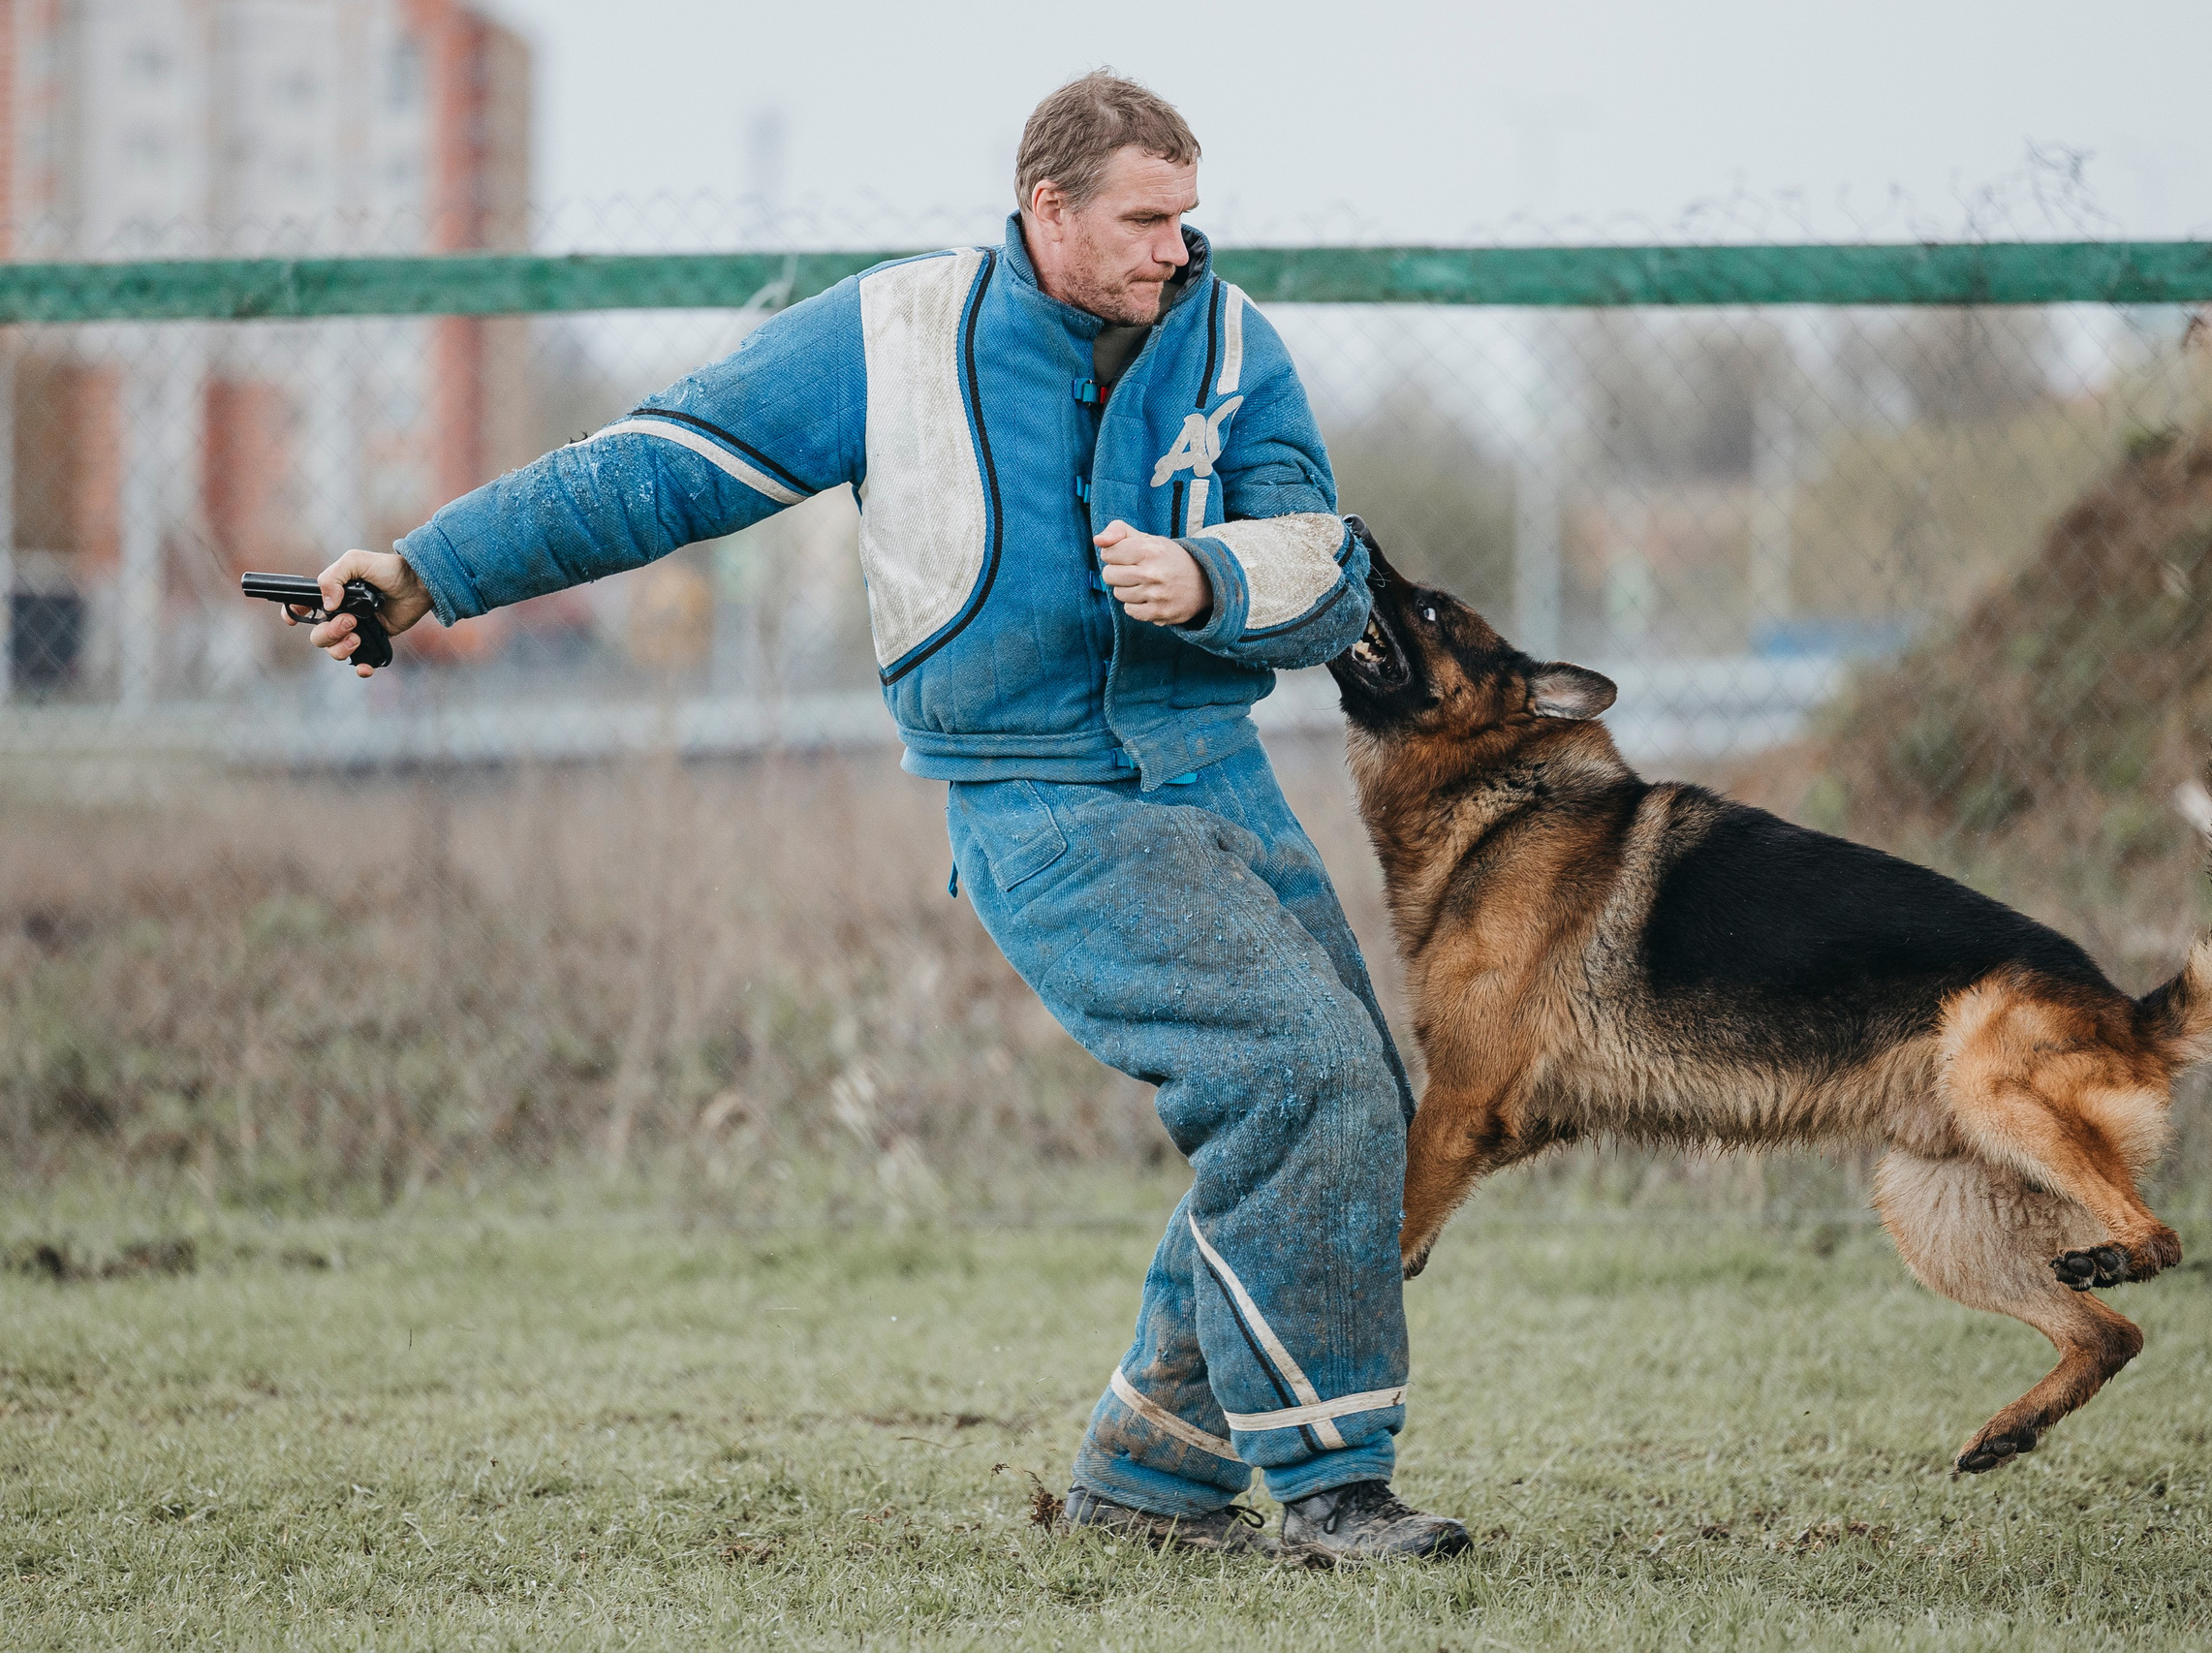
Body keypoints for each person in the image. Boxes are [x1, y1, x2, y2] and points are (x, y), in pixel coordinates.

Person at [297, 71, 1467, 1565]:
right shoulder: (891, 335)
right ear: (1047, 208)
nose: (1180, 246)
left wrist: (1214, 581)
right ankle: (1332, 1489)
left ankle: (1152, 1481)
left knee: (1349, 1094)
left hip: (1210, 768)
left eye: (1188, 214)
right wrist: (424, 570)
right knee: (1297, 1077)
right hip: (1035, 796)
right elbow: (658, 470)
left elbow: (1329, 563)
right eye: (1145, 218)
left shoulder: (1236, 345)